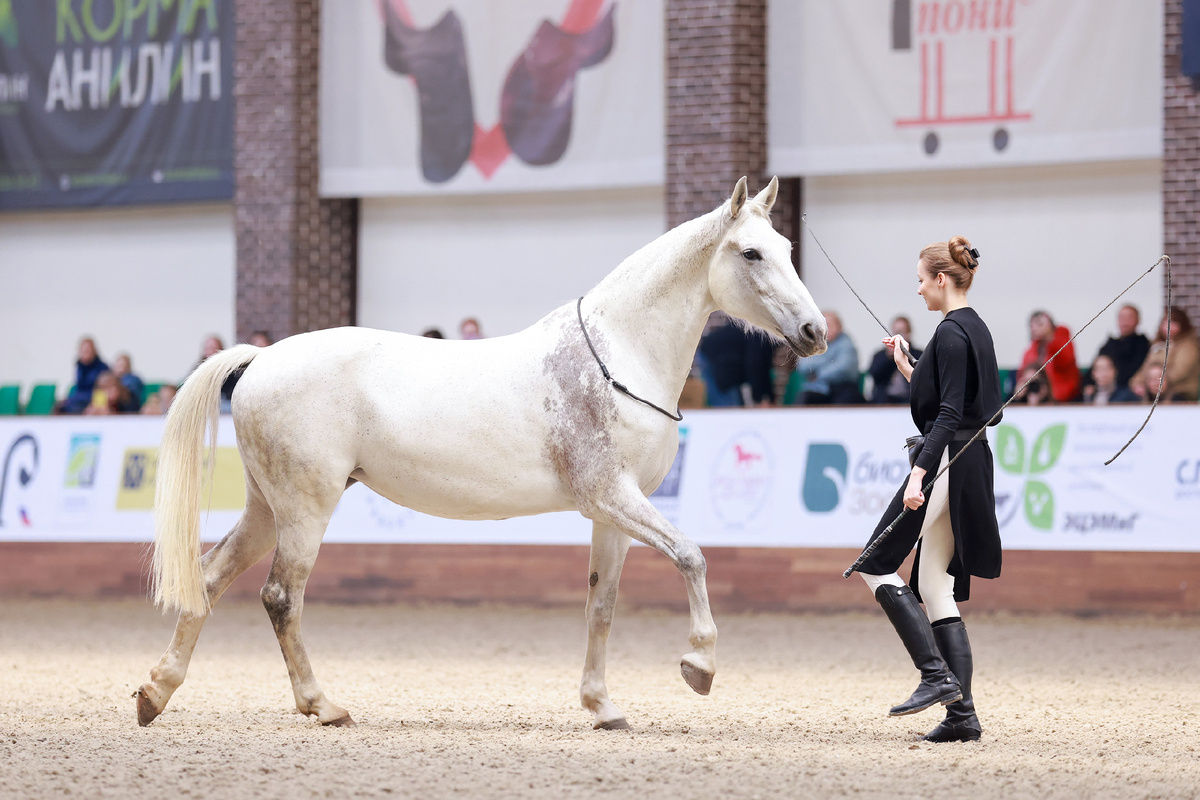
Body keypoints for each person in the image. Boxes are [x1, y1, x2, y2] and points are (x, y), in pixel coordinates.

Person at [855, 235, 1002, 744]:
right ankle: (962, 716)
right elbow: (983, 408)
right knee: (935, 584)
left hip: (943, 462)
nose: (918, 290)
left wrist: (918, 472)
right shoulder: (975, 330)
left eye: (921, 279)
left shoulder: (950, 334)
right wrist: (909, 366)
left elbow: (946, 412)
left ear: (941, 279)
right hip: (972, 459)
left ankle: (935, 676)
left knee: (874, 566)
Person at [696, 314, 775, 406]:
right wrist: (760, 399)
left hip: (723, 358)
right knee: (730, 405)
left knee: (736, 405)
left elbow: (762, 369)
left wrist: (767, 397)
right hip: (711, 355)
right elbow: (754, 366)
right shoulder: (761, 335)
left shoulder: (764, 336)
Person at [1129, 306, 1200, 403]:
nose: (1168, 326)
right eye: (1166, 322)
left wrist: (1155, 381)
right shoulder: (1157, 346)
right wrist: (1137, 383)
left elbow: (1178, 373)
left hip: (1180, 393)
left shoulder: (1188, 347)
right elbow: (1145, 369)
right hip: (1153, 392)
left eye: (1173, 322)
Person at [793, 310, 862, 404]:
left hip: (841, 388)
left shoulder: (847, 344)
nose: (826, 329)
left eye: (830, 325)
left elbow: (843, 367)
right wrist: (828, 361)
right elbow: (803, 366)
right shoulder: (813, 343)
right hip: (818, 389)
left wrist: (817, 374)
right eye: (822, 325)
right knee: (804, 397)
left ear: (839, 327)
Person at [1019, 311, 1080, 402]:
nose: (1035, 328)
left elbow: (1066, 360)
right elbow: (1024, 372)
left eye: (1040, 324)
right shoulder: (1032, 350)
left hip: (1064, 399)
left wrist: (1049, 336)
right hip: (1039, 399)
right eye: (1032, 325)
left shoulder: (1062, 337)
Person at [868, 316, 923, 404]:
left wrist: (904, 356)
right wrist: (888, 358)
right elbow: (874, 375)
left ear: (909, 333)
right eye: (895, 332)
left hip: (909, 399)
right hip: (884, 400)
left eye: (901, 332)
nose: (898, 336)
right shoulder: (881, 354)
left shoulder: (918, 354)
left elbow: (922, 379)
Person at [1096, 305, 1150, 389]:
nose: (1125, 322)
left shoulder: (1144, 345)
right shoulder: (1109, 345)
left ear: (1138, 320)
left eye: (1129, 318)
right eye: (1121, 318)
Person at [62, 337, 110, 414]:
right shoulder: (79, 367)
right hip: (78, 399)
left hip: (93, 400)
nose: (85, 353)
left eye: (88, 350)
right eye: (83, 351)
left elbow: (103, 391)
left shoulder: (102, 368)